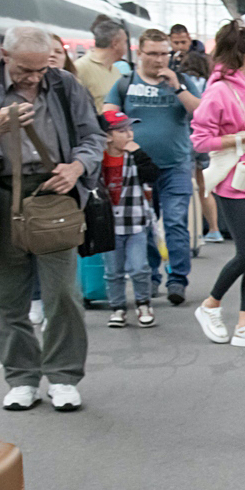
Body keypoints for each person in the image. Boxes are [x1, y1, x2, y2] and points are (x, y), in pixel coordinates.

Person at [0, 26, 105, 411]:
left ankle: (64, 376)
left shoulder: (65, 85)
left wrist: (77, 167)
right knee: (7, 299)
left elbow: (94, 137)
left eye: (40, 69)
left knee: (63, 295)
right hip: (2, 198)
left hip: (55, 197)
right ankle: (21, 377)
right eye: (24, 70)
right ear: (4, 55)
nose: (34, 78)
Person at [104, 28, 202, 306]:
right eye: (153, 54)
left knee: (175, 223)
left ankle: (177, 280)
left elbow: (200, 112)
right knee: (144, 227)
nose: (159, 60)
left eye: (164, 54)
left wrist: (178, 88)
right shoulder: (125, 83)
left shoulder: (181, 80)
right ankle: (150, 278)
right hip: (137, 170)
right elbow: (107, 114)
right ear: (140, 53)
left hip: (177, 166)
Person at [191, 21, 245, 347]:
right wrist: (242, 138)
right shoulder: (219, 91)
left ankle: (244, 324)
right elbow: (200, 140)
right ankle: (210, 305)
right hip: (231, 182)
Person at [97, 110, 160, 327]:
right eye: (122, 131)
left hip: (135, 222)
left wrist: (139, 152)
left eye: (130, 129)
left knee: (139, 267)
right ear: (107, 136)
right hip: (108, 225)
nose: (129, 134)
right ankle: (118, 308)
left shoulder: (135, 156)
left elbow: (153, 174)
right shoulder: (98, 158)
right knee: (113, 271)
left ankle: (143, 303)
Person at [178, 51, 222, 243]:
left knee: (186, 186)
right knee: (205, 186)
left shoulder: (183, 84)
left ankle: (192, 230)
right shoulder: (208, 84)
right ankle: (213, 229)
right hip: (205, 138)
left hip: (185, 138)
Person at [74, 20, 128, 112]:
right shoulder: (80, 68)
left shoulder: (115, 70)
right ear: (115, 44)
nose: (126, 46)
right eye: (125, 42)